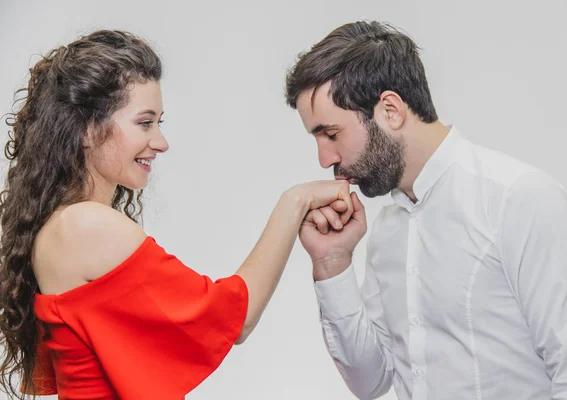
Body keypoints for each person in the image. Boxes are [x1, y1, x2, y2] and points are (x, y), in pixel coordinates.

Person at [0, 30, 356, 399]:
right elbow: (235, 318)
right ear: (89, 130)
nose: (161, 142)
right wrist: (296, 201)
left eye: (160, 123)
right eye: (144, 122)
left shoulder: (61, 225)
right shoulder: (85, 226)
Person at [285, 20, 567, 399]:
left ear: (391, 109)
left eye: (331, 134)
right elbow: (371, 382)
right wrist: (331, 264)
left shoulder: (519, 199)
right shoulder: (387, 230)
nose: (324, 159)